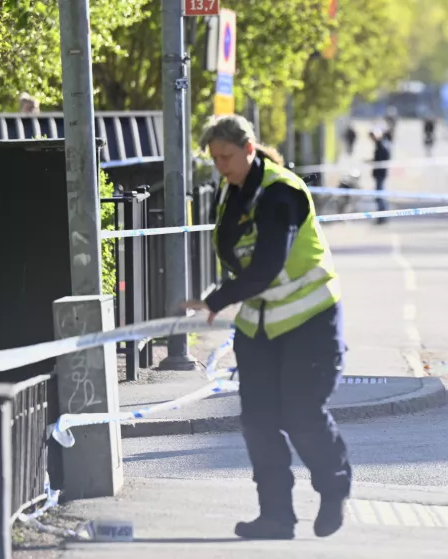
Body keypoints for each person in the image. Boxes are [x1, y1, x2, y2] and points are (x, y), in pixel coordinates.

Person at [181, 114, 351, 539]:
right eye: (215, 159)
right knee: (257, 421)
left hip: (310, 320)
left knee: (301, 414)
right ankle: (276, 516)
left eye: (226, 156)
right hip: (260, 326)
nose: (220, 166)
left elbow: (269, 263)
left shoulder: (281, 193)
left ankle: (333, 489)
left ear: (249, 149)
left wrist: (215, 300)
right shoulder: (232, 188)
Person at [370, 127, 392, 225]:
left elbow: (383, 158)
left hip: (380, 174)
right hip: (379, 173)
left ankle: (383, 216)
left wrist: (375, 162)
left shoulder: (382, 145)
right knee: (379, 195)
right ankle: (382, 216)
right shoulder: (380, 144)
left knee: (380, 196)